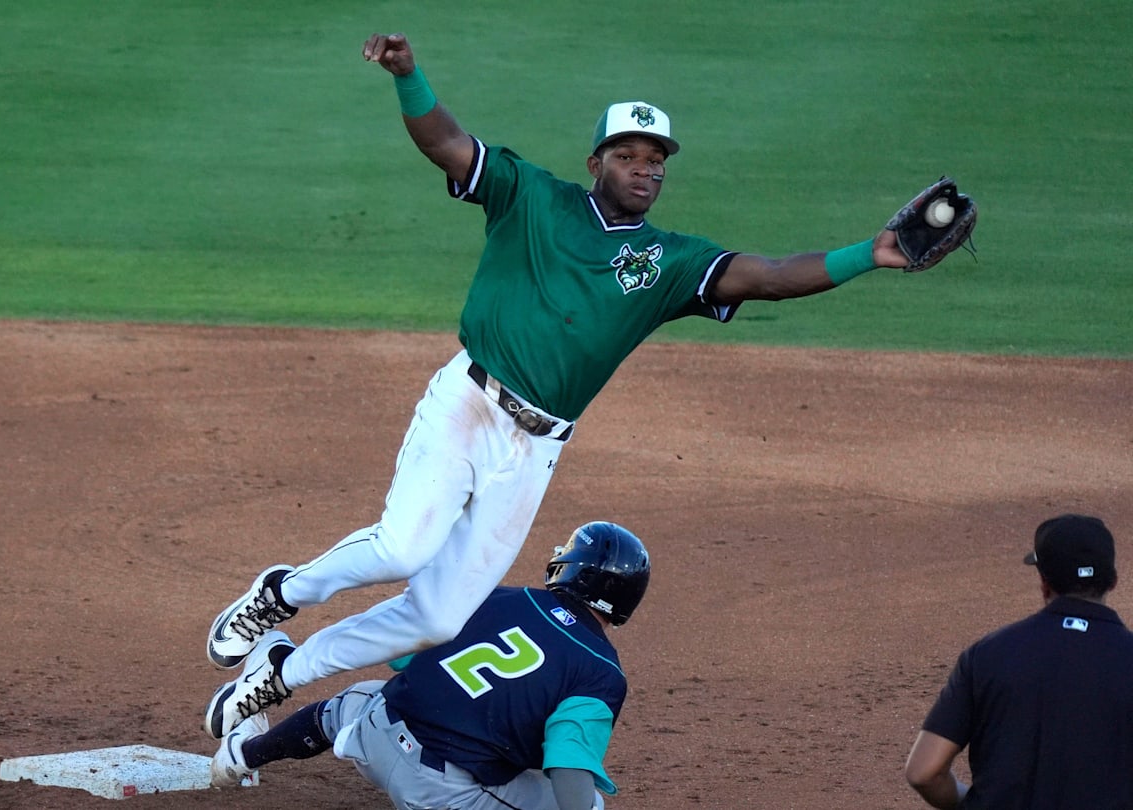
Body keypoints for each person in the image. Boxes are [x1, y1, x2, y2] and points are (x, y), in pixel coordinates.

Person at [203, 30, 942, 740]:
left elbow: (775, 276)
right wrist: (408, 76)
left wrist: (867, 255)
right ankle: (281, 595)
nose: (646, 168)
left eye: (657, 159)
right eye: (629, 154)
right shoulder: (531, 196)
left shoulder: (669, 260)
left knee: (437, 619)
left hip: (535, 450)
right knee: (403, 547)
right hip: (468, 403)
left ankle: (283, 669)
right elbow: (445, 144)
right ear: (596, 161)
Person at [210, 521, 650, 810]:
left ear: (571, 569)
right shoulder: (602, 672)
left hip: (372, 741)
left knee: (359, 697)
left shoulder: (498, 595)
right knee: (587, 802)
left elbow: (403, 656)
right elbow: (569, 766)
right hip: (441, 796)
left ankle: (240, 757)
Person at [904, 514, 1133, 809]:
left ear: (1044, 581)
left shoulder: (988, 654)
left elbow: (924, 772)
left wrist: (969, 802)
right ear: (1113, 581)